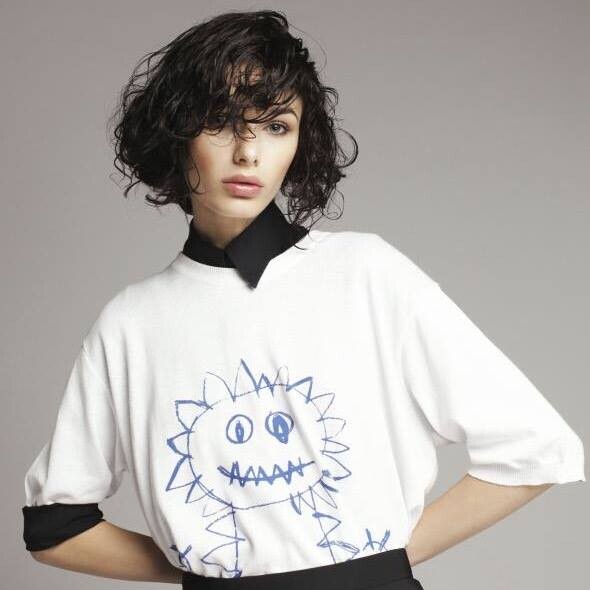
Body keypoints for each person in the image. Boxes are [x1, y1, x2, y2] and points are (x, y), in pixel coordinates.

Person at [21, 9, 585, 590]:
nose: (248, 153)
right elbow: (55, 528)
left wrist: (377, 560)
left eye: (276, 126)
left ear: (300, 142)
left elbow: (535, 448)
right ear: (176, 133)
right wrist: (211, 570)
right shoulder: (132, 324)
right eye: (220, 122)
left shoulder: (365, 273)